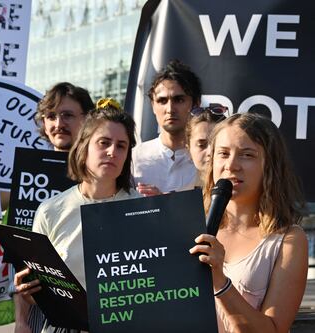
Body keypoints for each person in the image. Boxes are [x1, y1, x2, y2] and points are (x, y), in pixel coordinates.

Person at [14, 98, 140, 333]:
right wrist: (29, 296)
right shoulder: (50, 211)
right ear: (83, 147)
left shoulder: (144, 210)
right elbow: (34, 292)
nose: (112, 151)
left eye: (121, 145)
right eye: (104, 143)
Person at [189, 113, 308, 332]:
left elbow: (273, 329)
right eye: (223, 153)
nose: (231, 165)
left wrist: (219, 280)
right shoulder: (188, 222)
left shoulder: (288, 240)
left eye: (247, 155)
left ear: (270, 165)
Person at [14, 82, 94, 333]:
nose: (58, 123)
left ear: (88, 119)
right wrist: (21, 321)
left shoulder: (103, 173)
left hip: (95, 306)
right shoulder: (29, 171)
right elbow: (22, 256)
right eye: (50, 116)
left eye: (67, 115)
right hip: (42, 309)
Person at [132, 60, 201, 196]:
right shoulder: (134, 158)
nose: (170, 109)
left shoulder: (209, 159)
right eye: (162, 101)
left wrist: (164, 205)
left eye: (179, 100)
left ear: (196, 104)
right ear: (153, 105)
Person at [185, 104, 228, 185]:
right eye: (201, 145)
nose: (210, 152)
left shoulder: (246, 191)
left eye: (217, 143)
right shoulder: (177, 193)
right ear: (189, 149)